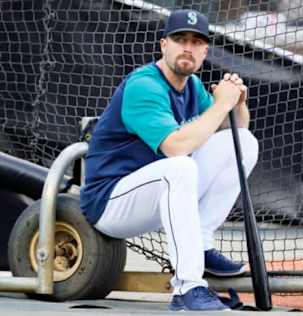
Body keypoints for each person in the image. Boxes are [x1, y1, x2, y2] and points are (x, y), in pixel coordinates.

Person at [79, 9, 258, 311]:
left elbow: (235, 130)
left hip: (154, 194)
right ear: (164, 45)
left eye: (196, 41)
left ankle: (200, 245)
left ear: (205, 51)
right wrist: (220, 105)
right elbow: (176, 147)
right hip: (110, 204)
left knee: (245, 144)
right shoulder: (144, 85)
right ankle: (187, 287)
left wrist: (237, 104)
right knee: (180, 166)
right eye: (180, 39)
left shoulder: (192, 87)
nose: (187, 47)